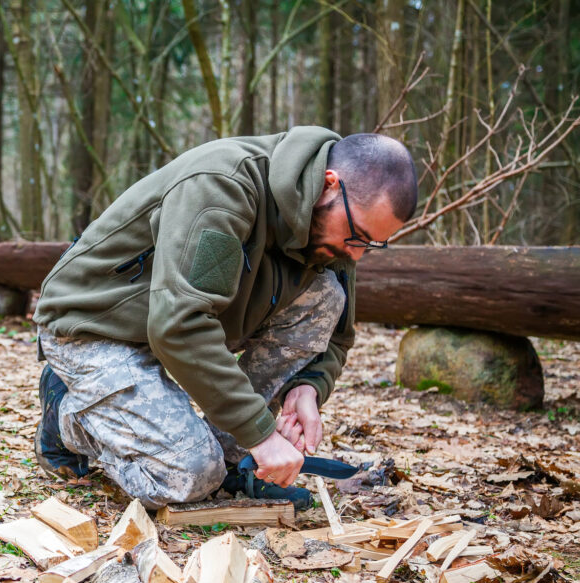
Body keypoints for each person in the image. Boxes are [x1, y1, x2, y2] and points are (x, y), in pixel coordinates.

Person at [31, 127, 417, 510]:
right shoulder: (223, 186)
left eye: (372, 245)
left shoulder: (335, 234)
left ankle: (231, 458)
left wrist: (308, 386)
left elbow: (337, 332)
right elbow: (181, 325)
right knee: (187, 476)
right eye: (358, 236)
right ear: (330, 185)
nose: (357, 255)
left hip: (170, 325)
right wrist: (262, 435)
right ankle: (69, 415)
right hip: (93, 325)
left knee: (326, 294)